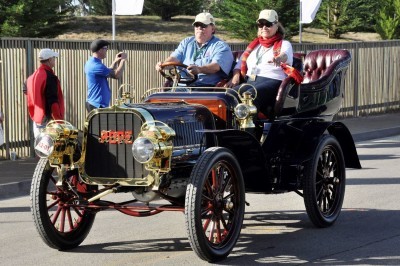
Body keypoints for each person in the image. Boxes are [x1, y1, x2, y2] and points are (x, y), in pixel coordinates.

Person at [225, 9, 293, 117]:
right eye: (261, 24)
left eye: (268, 24)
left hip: (272, 81)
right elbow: (239, 64)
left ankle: (250, 131)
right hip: (251, 80)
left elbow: (286, 55)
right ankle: (230, 127)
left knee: (250, 95)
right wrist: (236, 76)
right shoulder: (254, 45)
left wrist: (279, 58)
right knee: (229, 94)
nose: (264, 27)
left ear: (276, 26)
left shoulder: (284, 44)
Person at [155, 12, 234, 87]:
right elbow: (174, 59)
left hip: (206, 88)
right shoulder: (186, 42)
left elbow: (216, 67)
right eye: (196, 25)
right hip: (182, 86)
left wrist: (199, 69)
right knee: (155, 99)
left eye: (203, 25)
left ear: (213, 29)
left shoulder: (220, 46)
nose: (199, 28)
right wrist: (163, 65)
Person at [26, 48, 65, 138]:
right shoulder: (50, 77)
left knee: (40, 148)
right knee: (50, 150)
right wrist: (59, 121)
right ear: (50, 59)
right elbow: (53, 101)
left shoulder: (32, 76)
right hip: (48, 121)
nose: (55, 60)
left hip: (36, 119)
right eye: (54, 58)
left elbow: (25, 90)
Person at [85, 39, 127, 112]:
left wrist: (115, 61)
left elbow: (107, 71)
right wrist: (123, 60)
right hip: (97, 104)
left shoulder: (92, 62)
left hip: (95, 103)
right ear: (100, 50)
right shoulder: (96, 65)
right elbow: (116, 75)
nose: (106, 51)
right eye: (105, 49)